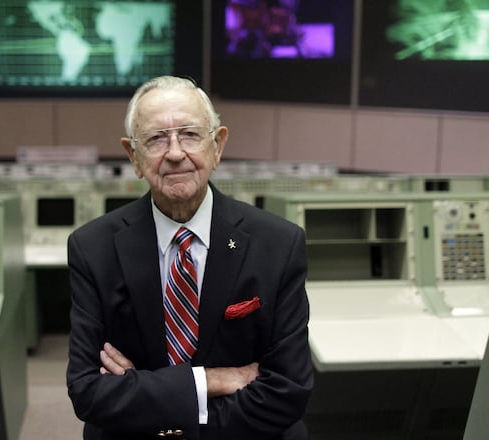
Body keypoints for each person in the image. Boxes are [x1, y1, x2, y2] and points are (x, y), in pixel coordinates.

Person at [66, 75, 314, 439]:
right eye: (155, 139)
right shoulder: (93, 248)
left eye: (190, 134)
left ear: (218, 146)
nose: (175, 152)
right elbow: (88, 392)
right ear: (133, 157)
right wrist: (211, 381)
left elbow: (288, 390)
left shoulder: (278, 244)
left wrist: (159, 408)